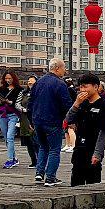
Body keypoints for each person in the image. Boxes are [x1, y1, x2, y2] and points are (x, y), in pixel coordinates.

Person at [63, 74, 105, 185]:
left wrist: (97, 153)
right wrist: (76, 104)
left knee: (92, 184)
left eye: (85, 86)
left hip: (92, 149)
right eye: (81, 87)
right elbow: (68, 120)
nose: (82, 90)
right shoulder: (82, 104)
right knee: (76, 184)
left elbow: (104, 132)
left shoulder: (104, 107)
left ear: (96, 87)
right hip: (79, 150)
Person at [30, 59, 73, 187]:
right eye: (64, 68)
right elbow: (66, 104)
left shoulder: (38, 82)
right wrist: (69, 119)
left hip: (38, 120)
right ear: (58, 68)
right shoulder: (60, 84)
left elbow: (31, 101)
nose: (65, 71)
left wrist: (31, 119)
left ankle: (39, 173)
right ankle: (50, 177)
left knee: (43, 147)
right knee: (54, 149)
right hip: (53, 120)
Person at [0, 71, 22, 168]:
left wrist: (7, 101)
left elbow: (17, 103)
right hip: (3, 115)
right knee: (6, 138)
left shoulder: (19, 89)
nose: (8, 80)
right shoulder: (2, 88)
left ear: (14, 78)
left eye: (10, 78)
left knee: (10, 137)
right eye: (6, 78)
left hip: (13, 114)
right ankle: (14, 158)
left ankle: (10, 160)